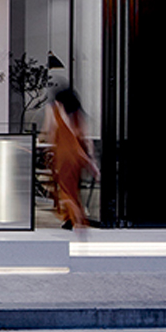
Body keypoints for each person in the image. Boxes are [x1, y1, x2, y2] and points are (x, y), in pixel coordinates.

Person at [49, 88, 98, 230]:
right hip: (77, 157)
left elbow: (51, 132)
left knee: (66, 190)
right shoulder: (78, 115)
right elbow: (86, 137)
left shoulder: (57, 113)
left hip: (63, 156)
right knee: (73, 188)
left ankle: (76, 217)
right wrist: (91, 159)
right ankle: (72, 218)